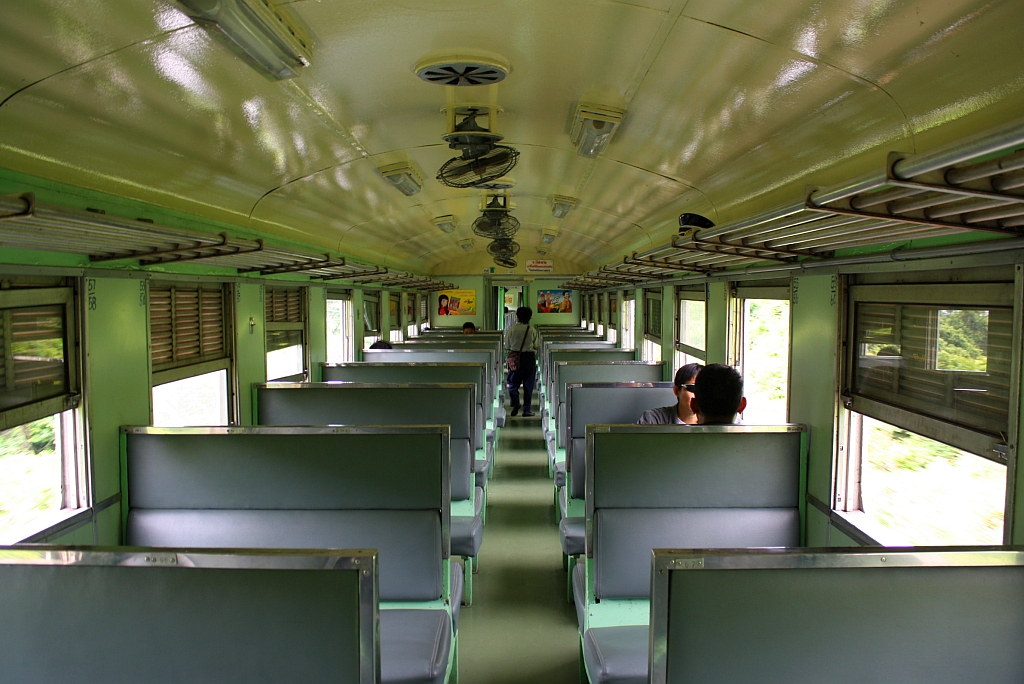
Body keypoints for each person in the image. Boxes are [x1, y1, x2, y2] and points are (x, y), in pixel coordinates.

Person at [637, 363, 703, 424]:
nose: (698, 394)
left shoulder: (712, 423)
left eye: (704, 389)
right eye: (692, 388)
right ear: (677, 391)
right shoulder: (653, 419)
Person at [504, 306, 540, 417]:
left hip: (515, 357)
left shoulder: (512, 329)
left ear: (517, 317)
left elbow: (507, 345)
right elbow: (536, 346)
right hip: (529, 358)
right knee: (528, 385)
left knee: (512, 383)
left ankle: (515, 401)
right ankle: (526, 410)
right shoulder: (532, 330)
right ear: (529, 318)